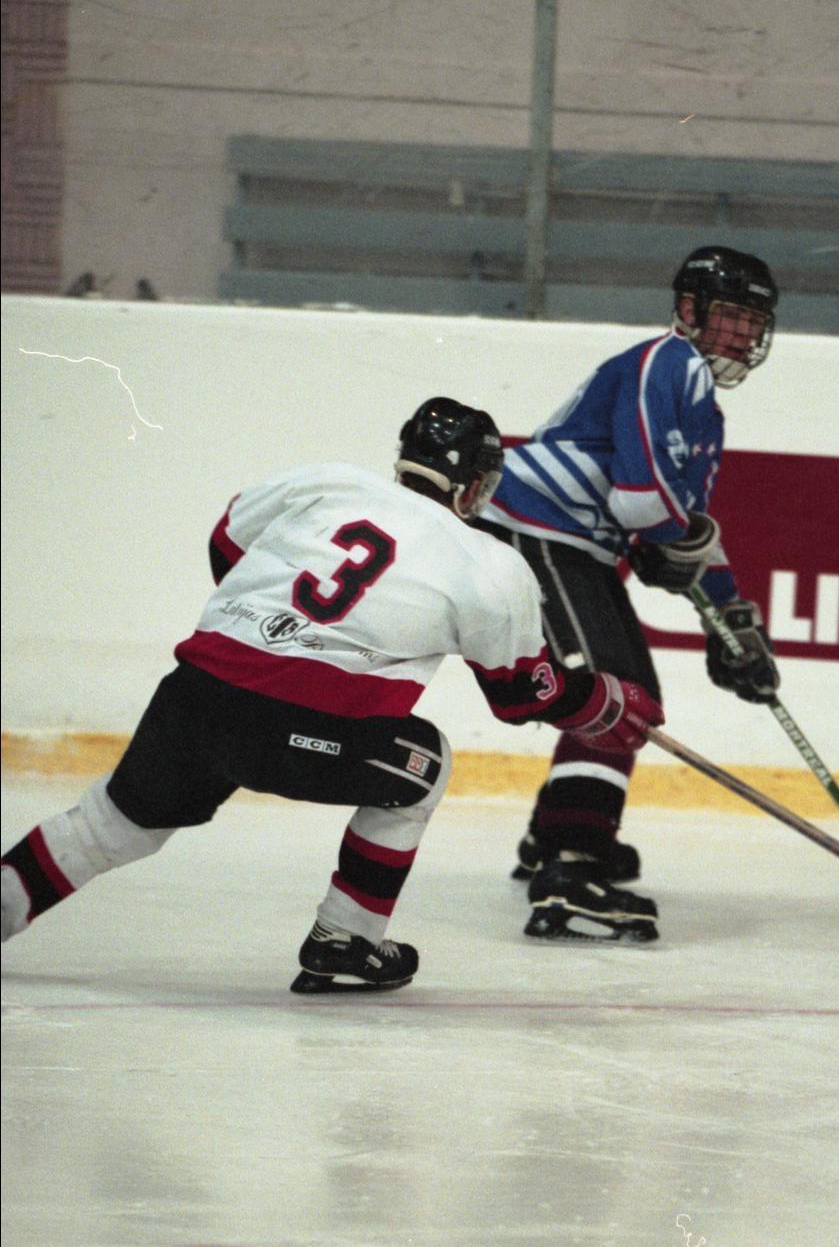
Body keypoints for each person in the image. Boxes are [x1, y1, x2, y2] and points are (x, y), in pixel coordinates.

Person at [0, 398, 665, 992]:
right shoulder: (488, 561)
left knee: (111, 827)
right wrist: (597, 700)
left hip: (196, 696)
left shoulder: (326, 481)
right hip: (303, 734)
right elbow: (519, 696)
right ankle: (346, 942)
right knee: (422, 764)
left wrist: (277, 631)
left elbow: (227, 541)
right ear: (474, 483)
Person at [475, 243, 782, 935]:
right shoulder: (667, 363)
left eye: (753, 322)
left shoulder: (704, 409)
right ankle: (570, 871)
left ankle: (560, 831)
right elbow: (643, 503)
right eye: (730, 315)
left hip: (568, 542)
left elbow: (681, 522)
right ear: (688, 309)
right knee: (618, 696)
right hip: (535, 527)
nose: (742, 333)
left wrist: (731, 618)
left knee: (623, 694)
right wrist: (662, 542)